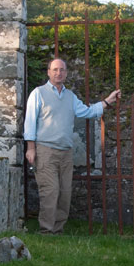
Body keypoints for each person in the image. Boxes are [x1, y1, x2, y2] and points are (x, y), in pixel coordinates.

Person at [24, 58, 119, 234]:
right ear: (48, 72)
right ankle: (46, 231)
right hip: (45, 150)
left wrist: (107, 101)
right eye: (55, 70)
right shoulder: (38, 93)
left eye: (62, 70)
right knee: (50, 191)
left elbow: (87, 112)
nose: (58, 73)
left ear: (66, 73)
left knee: (65, 193)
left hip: (66, 153)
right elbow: (30, 121)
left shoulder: (70, 97)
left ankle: (58, 230)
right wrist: (31, 148)